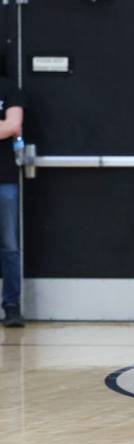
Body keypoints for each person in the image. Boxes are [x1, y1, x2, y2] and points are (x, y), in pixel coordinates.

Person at [0, 75, 25, 328]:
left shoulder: (9, 89)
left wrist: (6, 127)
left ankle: (11, 306)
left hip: (3, 181)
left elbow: (12, 125)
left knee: (8, 245)